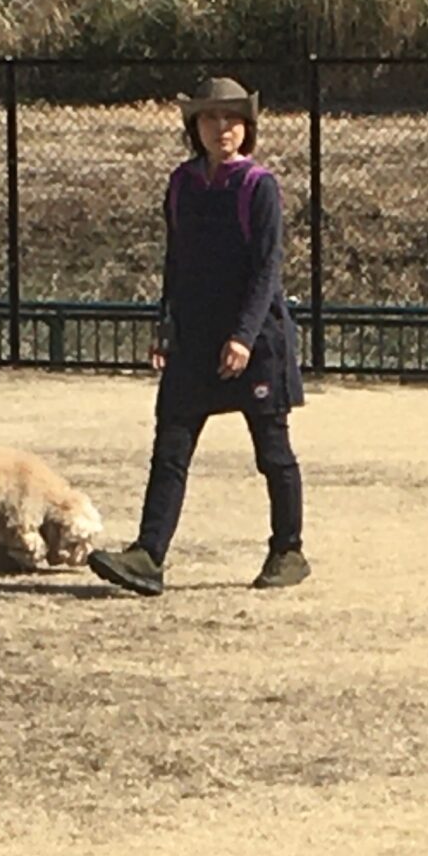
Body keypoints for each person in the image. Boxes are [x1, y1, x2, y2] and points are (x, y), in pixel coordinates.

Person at [89, 76, 308, 597]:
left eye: (232, 118)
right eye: (210, 117)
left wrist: (244, 337)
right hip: (194, 337)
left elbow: (267, 270)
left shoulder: (259, 186)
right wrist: (166, 326)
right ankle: (148, 555)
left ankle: (288, 550)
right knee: (171, 447)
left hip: (256, 341)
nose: (221, 127)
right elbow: (177, 261)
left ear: (247, 127)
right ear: (195, 126)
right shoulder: (182, 184)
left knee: (272, 451)